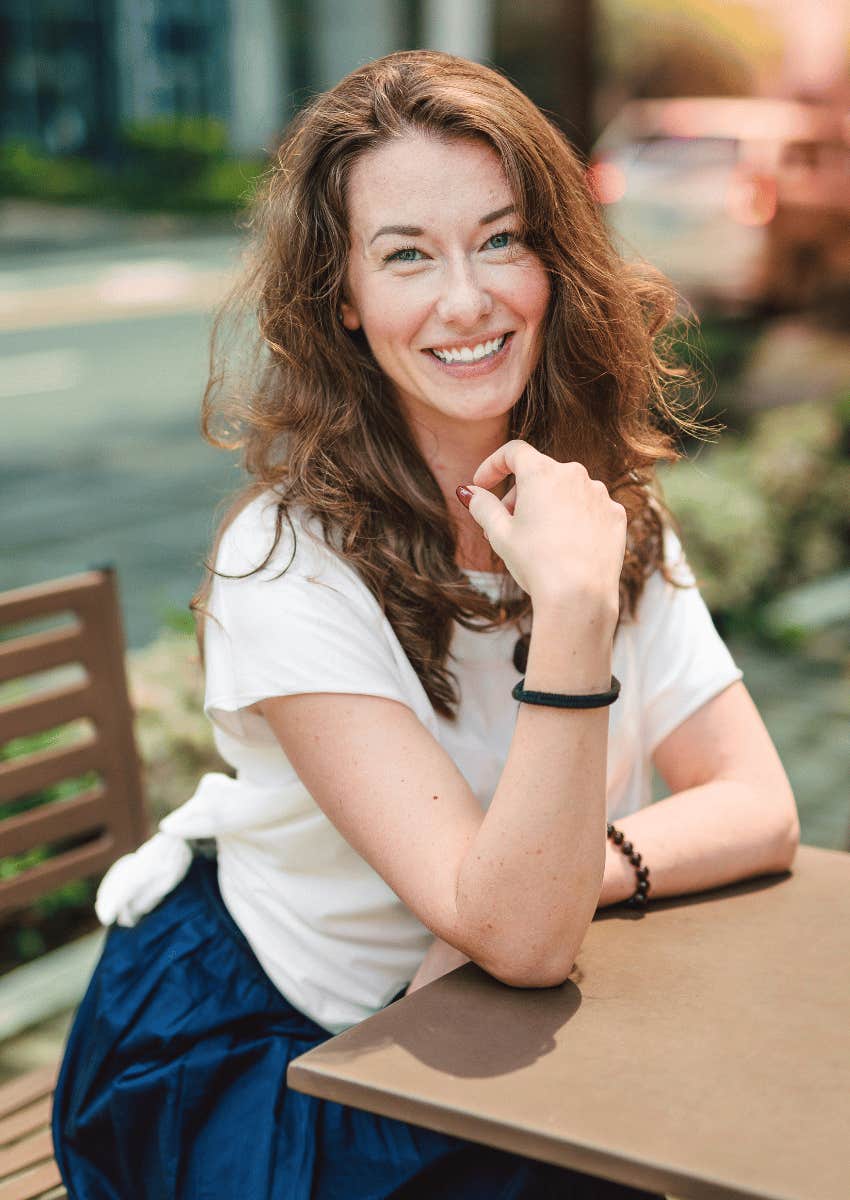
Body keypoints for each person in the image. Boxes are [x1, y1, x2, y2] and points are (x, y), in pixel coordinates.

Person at [52, 50, 799, 1199]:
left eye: (502, 239)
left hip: (482, 1026)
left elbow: (757, 806)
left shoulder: (592, 509)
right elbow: (521, 942)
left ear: (555, 259)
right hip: (273, 1048)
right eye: (408, 255)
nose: (468, 300)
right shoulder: (285, 563)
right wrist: (575, 612)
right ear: (343, 299)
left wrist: (563, 877)